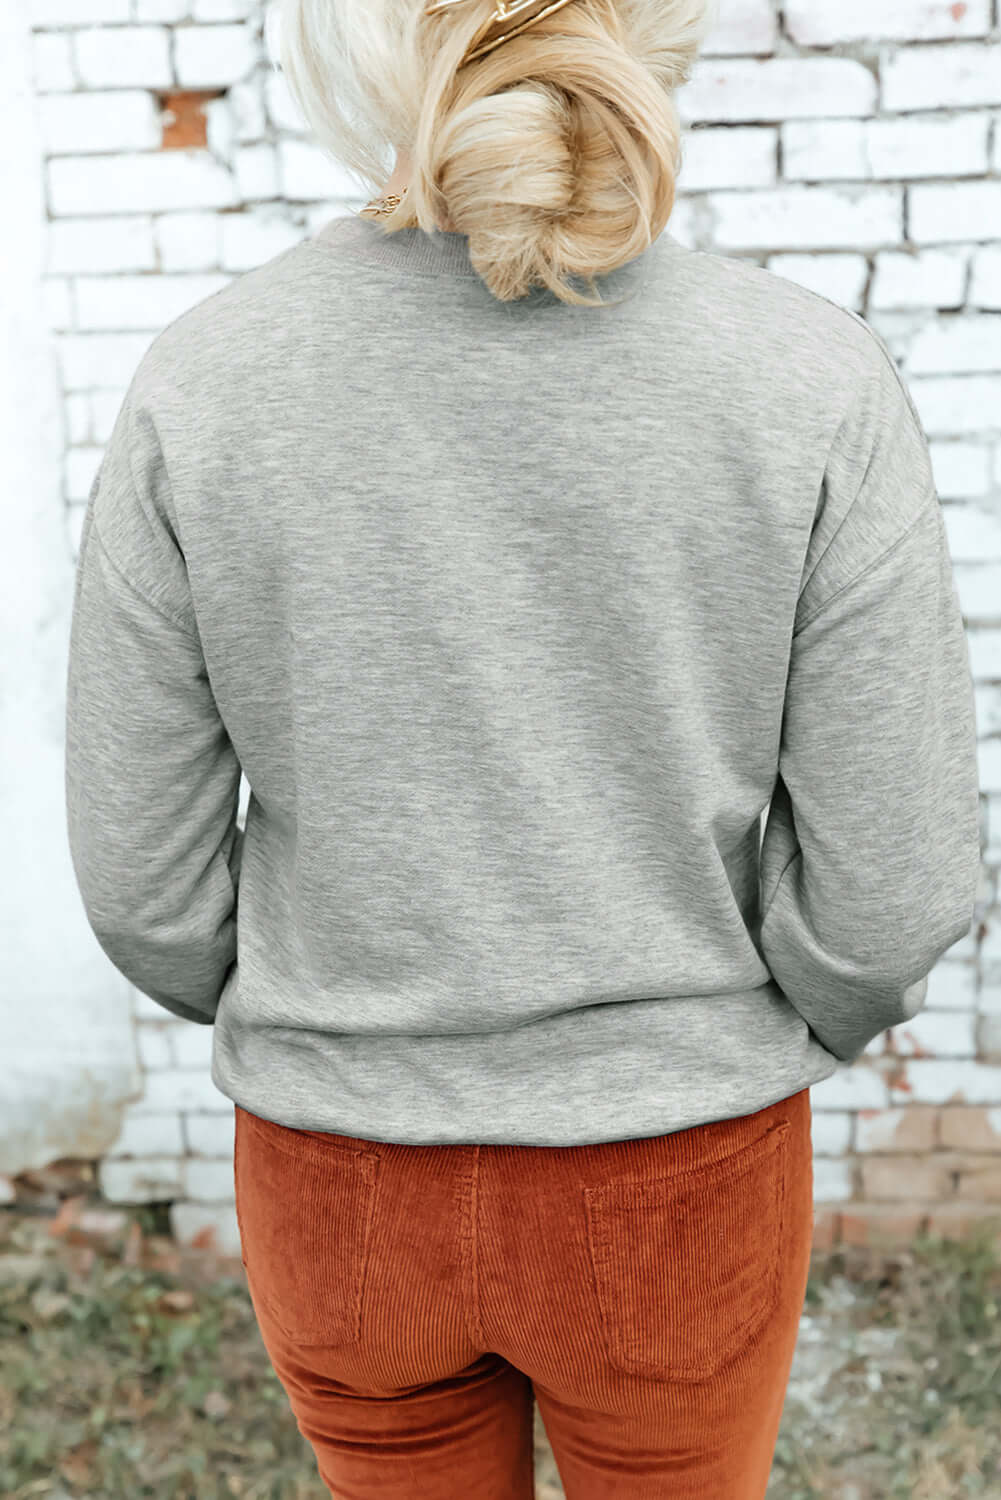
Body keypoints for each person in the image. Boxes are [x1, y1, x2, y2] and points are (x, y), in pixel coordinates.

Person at [63, 0, 982, 1494]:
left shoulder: (204, 384)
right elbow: (893, 888)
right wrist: (747, 1031)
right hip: (681, 1166)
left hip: (339, 1175)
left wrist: (332, 1015)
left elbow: (142, 890)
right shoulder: (809, 382)